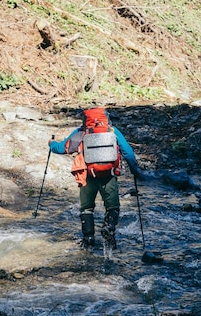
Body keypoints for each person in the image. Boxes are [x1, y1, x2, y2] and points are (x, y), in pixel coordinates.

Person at [48, 107, 144, 251]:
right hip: (108, 176)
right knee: (113, 207)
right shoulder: (112, 131)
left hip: (88, 176)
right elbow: (128, 153)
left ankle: (88, 240)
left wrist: (51, 144)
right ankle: (108, 228)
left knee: (86, 208)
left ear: (86, 120)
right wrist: (135, 171)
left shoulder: (82, 132)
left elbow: (62, 148)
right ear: (106, 118)